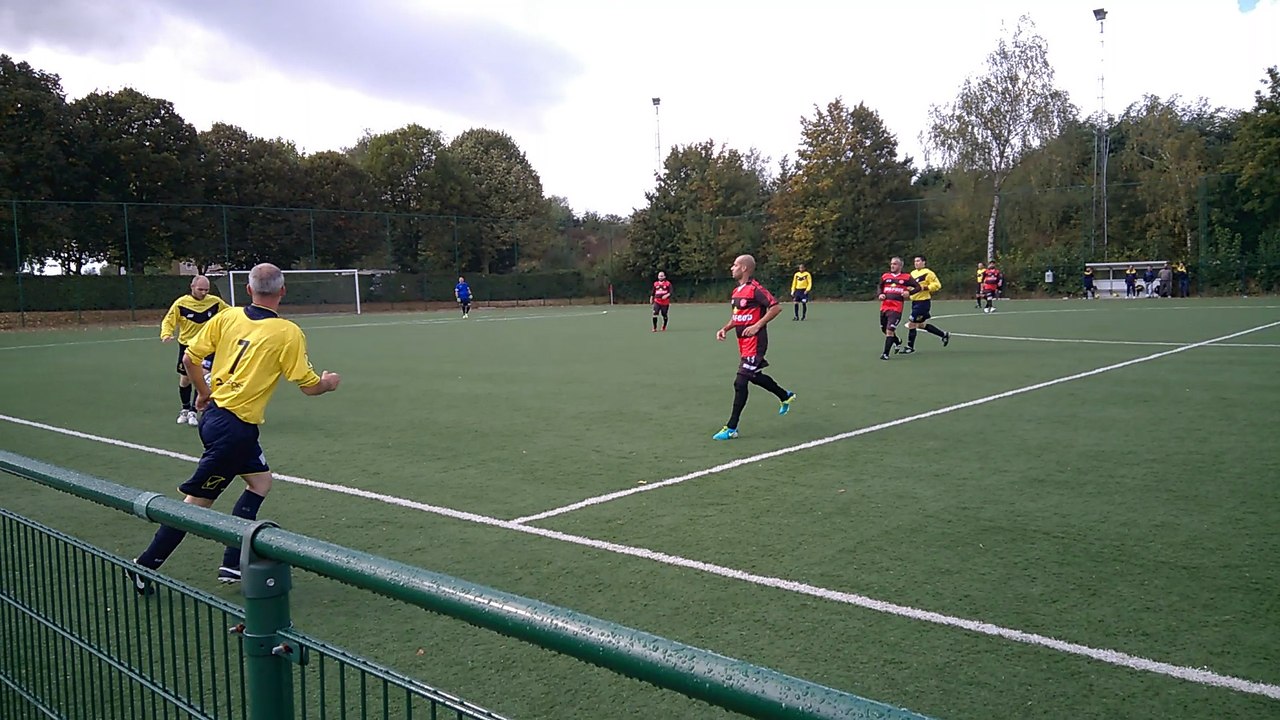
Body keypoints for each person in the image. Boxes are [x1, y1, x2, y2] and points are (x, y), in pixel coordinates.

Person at [128, 263, 341, 593]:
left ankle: (232, 561)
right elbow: (308, 386)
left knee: (260, 482)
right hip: (233, 431)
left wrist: (203, 392)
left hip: (218, 417)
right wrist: (327, 384)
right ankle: (144, 565)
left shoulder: (228, 317)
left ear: (247, 290)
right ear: (283, 291)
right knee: (195, 507)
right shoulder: (287, 332)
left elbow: (189, 359)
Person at [712, 255, 795, 440]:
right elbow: (738, 317)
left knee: (740, 382)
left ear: (744, 268)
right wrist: (725, 328)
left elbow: (775, 307)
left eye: (734, 265)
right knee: (754, 376)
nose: (731, 268)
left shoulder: (756, 289)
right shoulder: (736, 292)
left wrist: (758, 325)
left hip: (756, 343)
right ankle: (784, 395)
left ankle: (732, 427)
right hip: (742, 343)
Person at [161, 276, 230, 426]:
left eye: (206, 290)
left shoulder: (215, 302)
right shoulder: (181, 303)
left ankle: (193, 410)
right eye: (200, 289)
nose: (204, 292)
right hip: (186, 346)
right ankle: (185, 409)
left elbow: (231, 314)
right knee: (185, 380)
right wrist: (166, 333)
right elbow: (169, 320)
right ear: (192, 287)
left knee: (202, 377)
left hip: (207, 346)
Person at [900, 255, 949, 354]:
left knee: (912, 323)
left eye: (918, 261)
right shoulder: (912, 273)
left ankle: (910, 347)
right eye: (915, 261)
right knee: (921, 325)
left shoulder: (928, 273)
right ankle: (943, 334)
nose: (916, 263)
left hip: (923, 302)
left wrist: (925, 288)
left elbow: (937, 285)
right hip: (915, 302)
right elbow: (909, 285)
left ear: (924, 262)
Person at [877, 257, 922, 359]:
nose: (892, 266)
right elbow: (880, 286)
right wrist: (880, 294)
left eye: (895, 264)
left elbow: (918, 287)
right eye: (892, 264)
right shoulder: (885, 276)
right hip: (884, 307)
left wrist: (909, 293)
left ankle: (885, 354)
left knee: (889, 330)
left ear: (900, 266)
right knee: (884, 330)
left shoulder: (906, 277)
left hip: (896, 309)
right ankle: (897, 341)